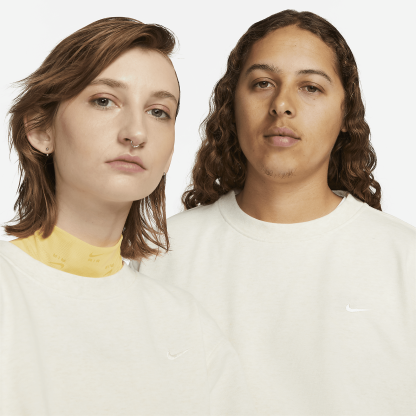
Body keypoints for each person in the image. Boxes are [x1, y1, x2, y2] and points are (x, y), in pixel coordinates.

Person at [133, 9, 416, 416]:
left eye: (311, 87)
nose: (282, 105)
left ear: (345, 113)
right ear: (232, 105)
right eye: (262, 83)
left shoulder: (404, 260)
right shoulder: (159, 255)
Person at [0, 17, 255, 416]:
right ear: (40, 128)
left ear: (169, 154)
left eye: (158, 112)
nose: (136, 132)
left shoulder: (189, 327)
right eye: (104, 101)